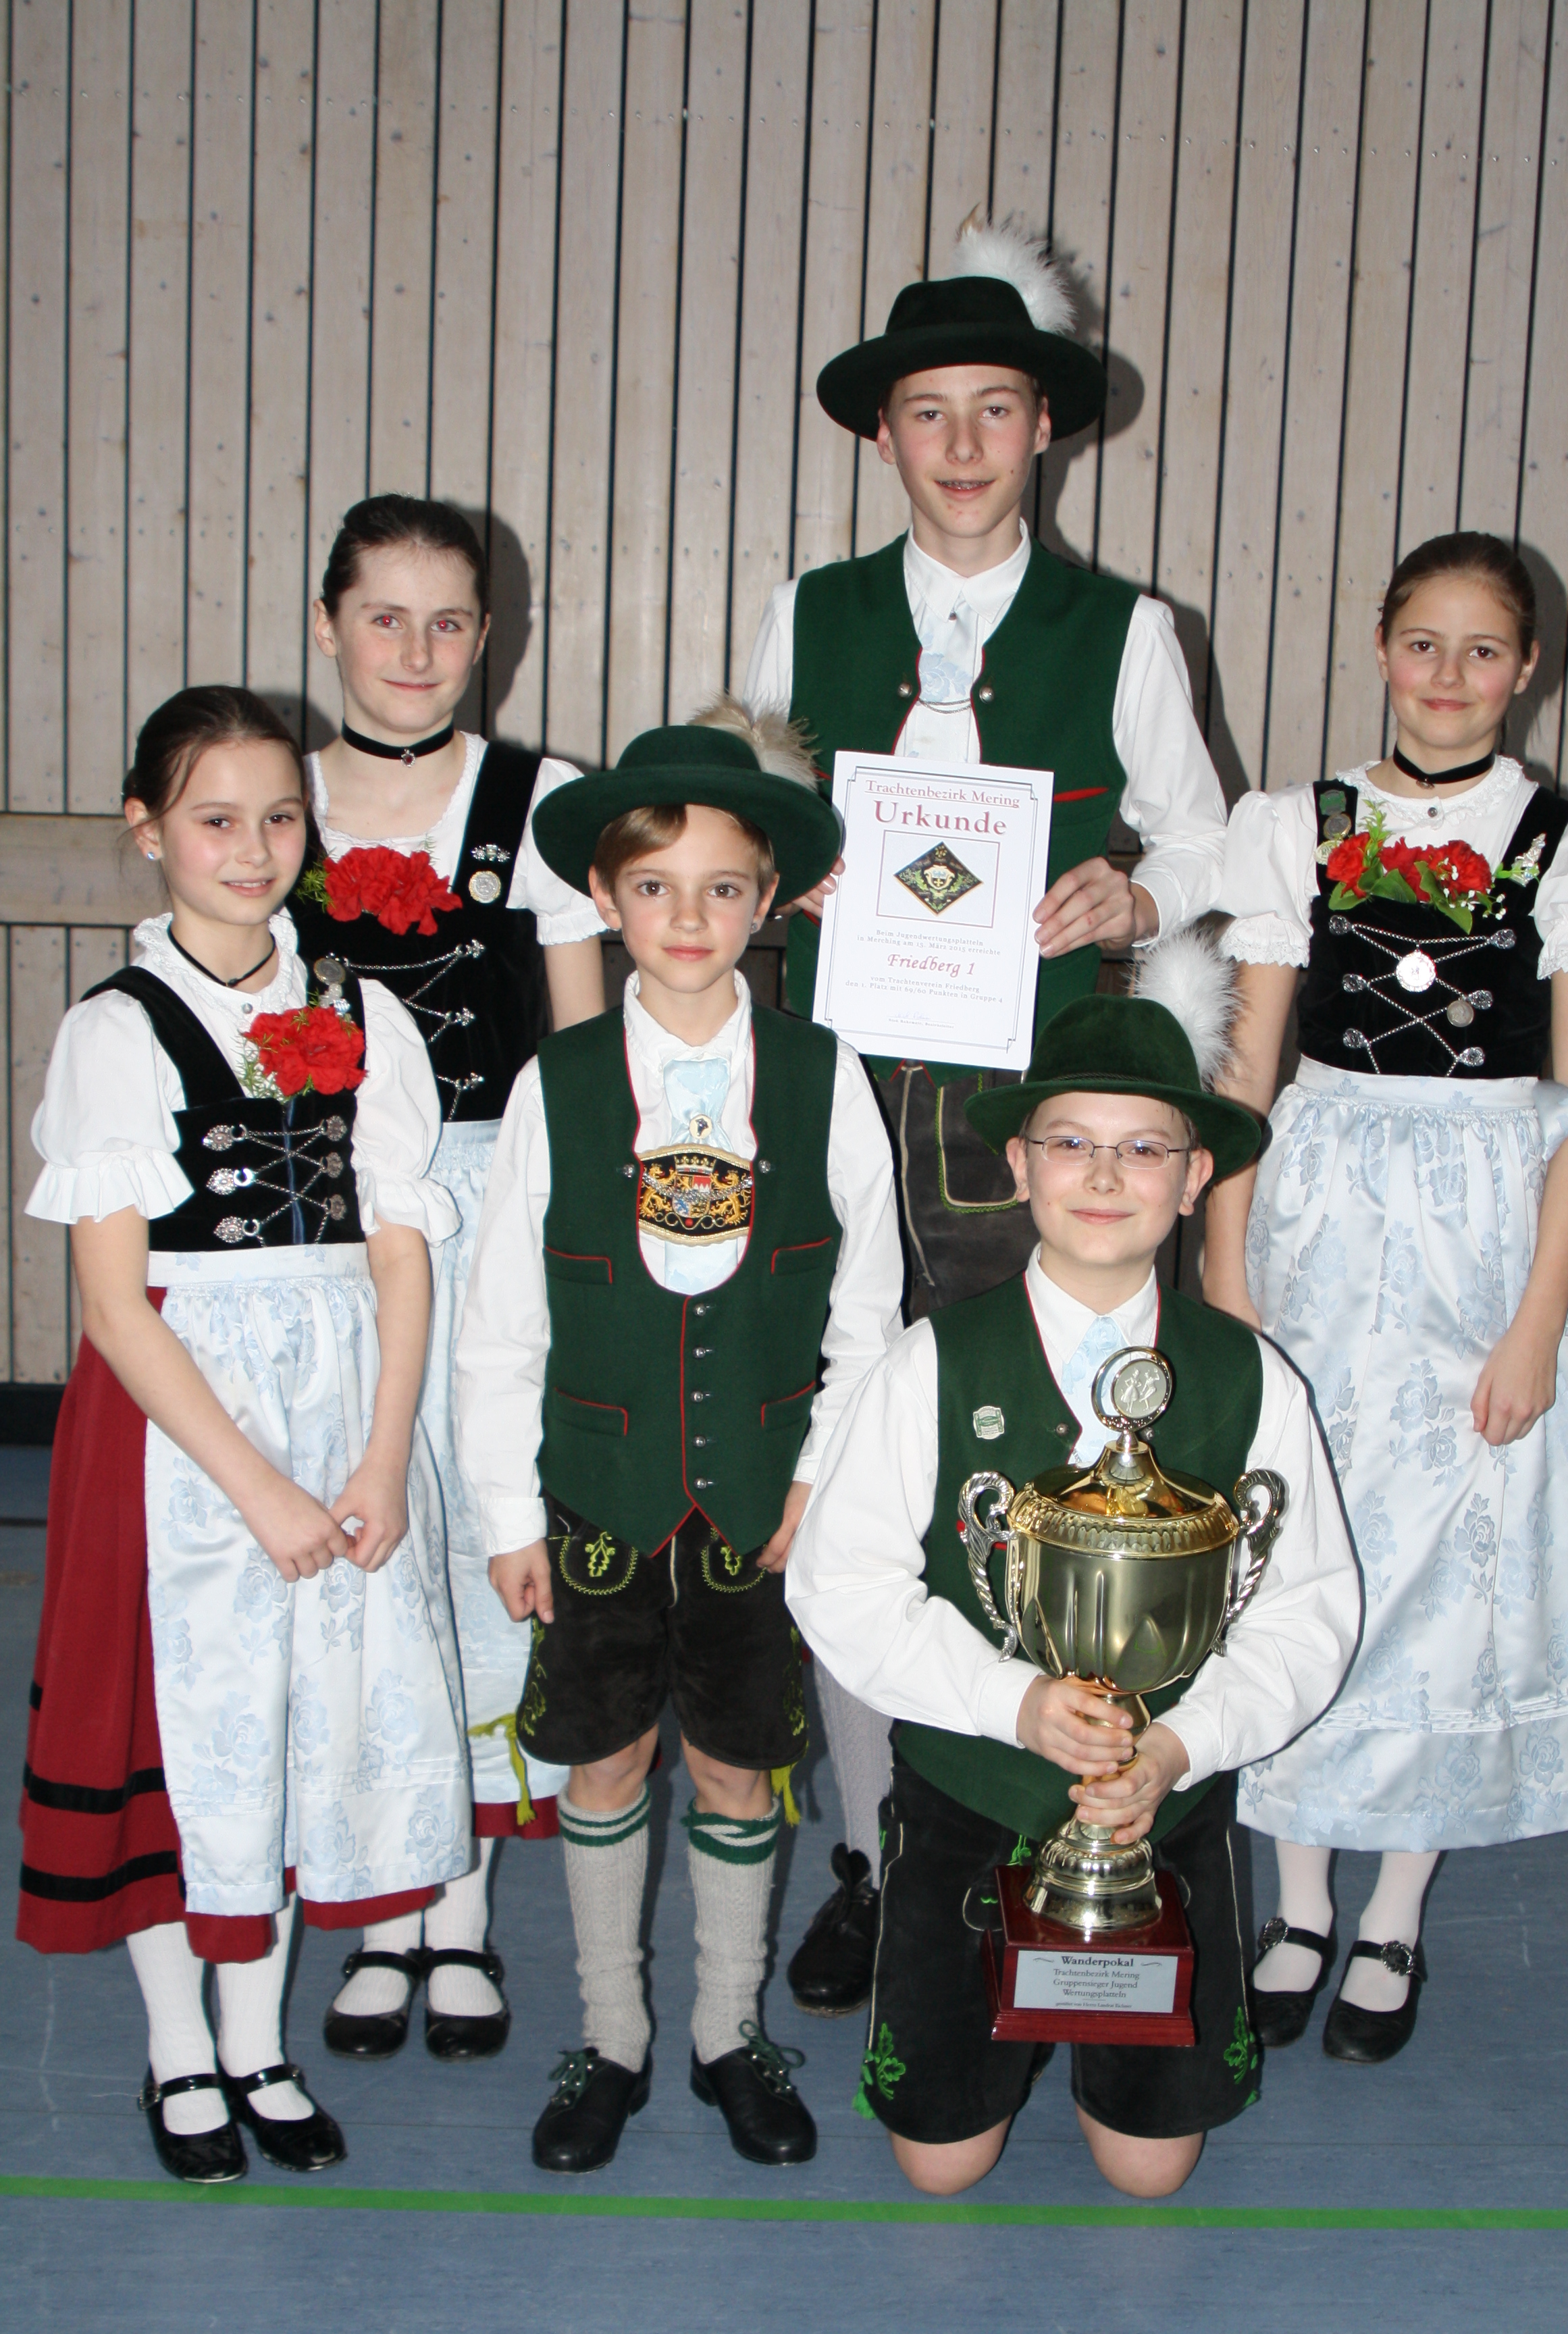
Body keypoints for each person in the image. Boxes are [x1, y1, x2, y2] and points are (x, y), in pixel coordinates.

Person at [745, 215, 1230, 2016]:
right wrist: (783, 865)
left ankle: (1023, 1827)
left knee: (1008, 1476)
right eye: (929, 411)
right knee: (844, 1477)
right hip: (837, 1097)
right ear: (884, 434)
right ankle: (873, 1858)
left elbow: (1208, 839)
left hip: (1033, 1128)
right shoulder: (811, 612)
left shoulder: (1128, 628)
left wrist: (1138, 892)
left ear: (1046, 429)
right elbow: (735, 812)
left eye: (996, 408)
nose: (962, 443)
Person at [786, 952, 1359, 2198]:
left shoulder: (1251, 1377)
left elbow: (1310, 1610)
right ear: (1018, 1164)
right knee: (941, 2168)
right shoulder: (930, 1364)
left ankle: (1117, 2048)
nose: (1105, 1176)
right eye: (1071, 1143)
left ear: (1196, 1177)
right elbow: (843, 1586)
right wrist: (1015, 1704)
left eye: (1144, 1149)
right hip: (972, 1798)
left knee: (1152, 2173)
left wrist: (1181, 1746)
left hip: (1165, 1810)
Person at [1200, 529, 1568, 2064]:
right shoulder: (1295, 829)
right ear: (1382, 647)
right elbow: (1247, 1069)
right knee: (1300, 1542)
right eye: (1423, 643)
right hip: (1320, 1216)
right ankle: (1297, 1903)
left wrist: (1537, 1328)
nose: (1448, 675)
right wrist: (1226, 1264)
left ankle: (1392, 1913)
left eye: (1482, 649)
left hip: (1487, 1237)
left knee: (1448, 1575)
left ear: (1527, 670)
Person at [18, 686, 468, 2183]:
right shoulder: (116, 1030)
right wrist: (261, 1488)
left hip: (340, 1400)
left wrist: (382, 1456)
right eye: (216, 818)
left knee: (292, 1726)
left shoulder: (363, 1010)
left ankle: (260, 2042)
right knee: (181, 1732)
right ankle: (179, 2049)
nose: (255, 847)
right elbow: (111, 1303)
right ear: (148, 831)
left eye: (281, 817)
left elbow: (400, 1253)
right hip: (180, 1428)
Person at [454, 700, 903, 2174]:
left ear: (769, 900)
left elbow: (868, 1314)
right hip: (598, 1490)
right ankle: (613, 2037)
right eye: (655, 886)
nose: (690, 917)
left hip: (758, 1507)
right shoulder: (559, 1083)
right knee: (604, 1765)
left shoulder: (827, 1078)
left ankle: (724, 2030)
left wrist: (819, 1485)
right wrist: (507, 1516)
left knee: (735, 1767)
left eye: (723, 887)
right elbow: (502, 1321)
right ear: (605, 898)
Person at [297, 494, 606, 2065]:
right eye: (384, 618)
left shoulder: (542, 804)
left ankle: (464, 1908)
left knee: (485, 1542)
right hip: (318, 1226)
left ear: (490, 636)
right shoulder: (269, 800)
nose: (415, 652)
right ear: (330, 627)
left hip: (490, 1208)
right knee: (361, 1546)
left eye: (448, 622)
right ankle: (381, 1903)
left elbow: (583, 1051)